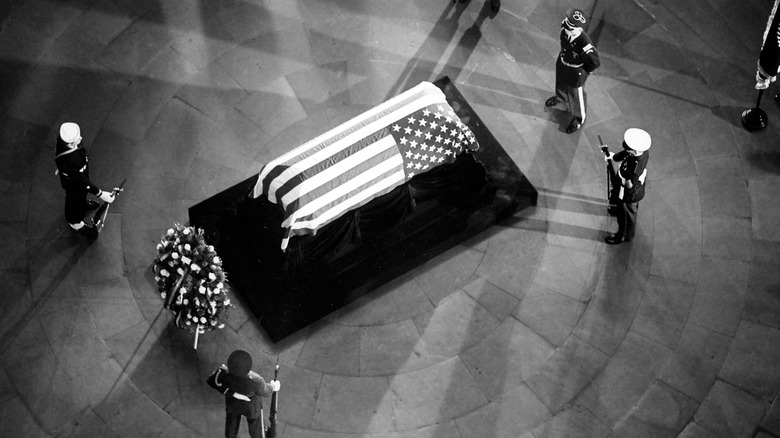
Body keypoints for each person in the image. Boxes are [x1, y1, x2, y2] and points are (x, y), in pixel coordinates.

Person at [545, 8, 601, 134]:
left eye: (570, 29)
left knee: (576, 96)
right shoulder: (565, 28)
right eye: (566, 24)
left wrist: (585, 72)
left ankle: (578, 118)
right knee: (560, 84)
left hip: (576, 71)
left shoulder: (585, 44)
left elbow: (595, 62)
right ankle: (560, 99)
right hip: (563, 62)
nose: (566, 29)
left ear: (578, 29)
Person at [54, 122, 115, 236]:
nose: (81, 138)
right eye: (77, 138)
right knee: (74, 200)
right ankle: (74, 222)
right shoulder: (70, 161)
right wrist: (100, 194)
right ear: (71, 144)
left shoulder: (63, 143)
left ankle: (82, 205)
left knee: (80, 197)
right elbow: (81, 181)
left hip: (76, 178)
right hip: (74, 184)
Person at [207, 349, 281, 438]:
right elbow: (266, 392)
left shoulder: (221, 373)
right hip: (252, 406)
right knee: (256, 427)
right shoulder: (257, 380)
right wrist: (273, 386)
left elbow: (212, 381)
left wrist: (232, 393)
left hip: (233, 403)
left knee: (231, 426)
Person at [603, 128, 651, 245]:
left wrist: (621, 192)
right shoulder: (640, 152)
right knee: (620, 206)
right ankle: (617, 208)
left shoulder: (635, 167)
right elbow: (625, 153)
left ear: (634, 151)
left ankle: (624, 235)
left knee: (625, 214)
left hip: (628, 192)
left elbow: (629, 185)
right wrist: (613, 157)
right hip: (623, 183)